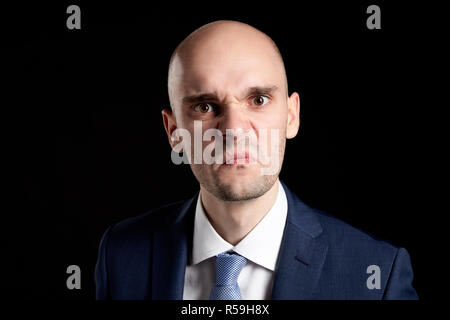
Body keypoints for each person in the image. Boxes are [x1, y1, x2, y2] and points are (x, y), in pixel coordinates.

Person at [94, 20, 418, 300]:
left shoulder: (375, 274)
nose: (234, 131)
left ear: (292, 116)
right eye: (205, 107)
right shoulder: (120, 256)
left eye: (258, 100)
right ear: (174, 131)